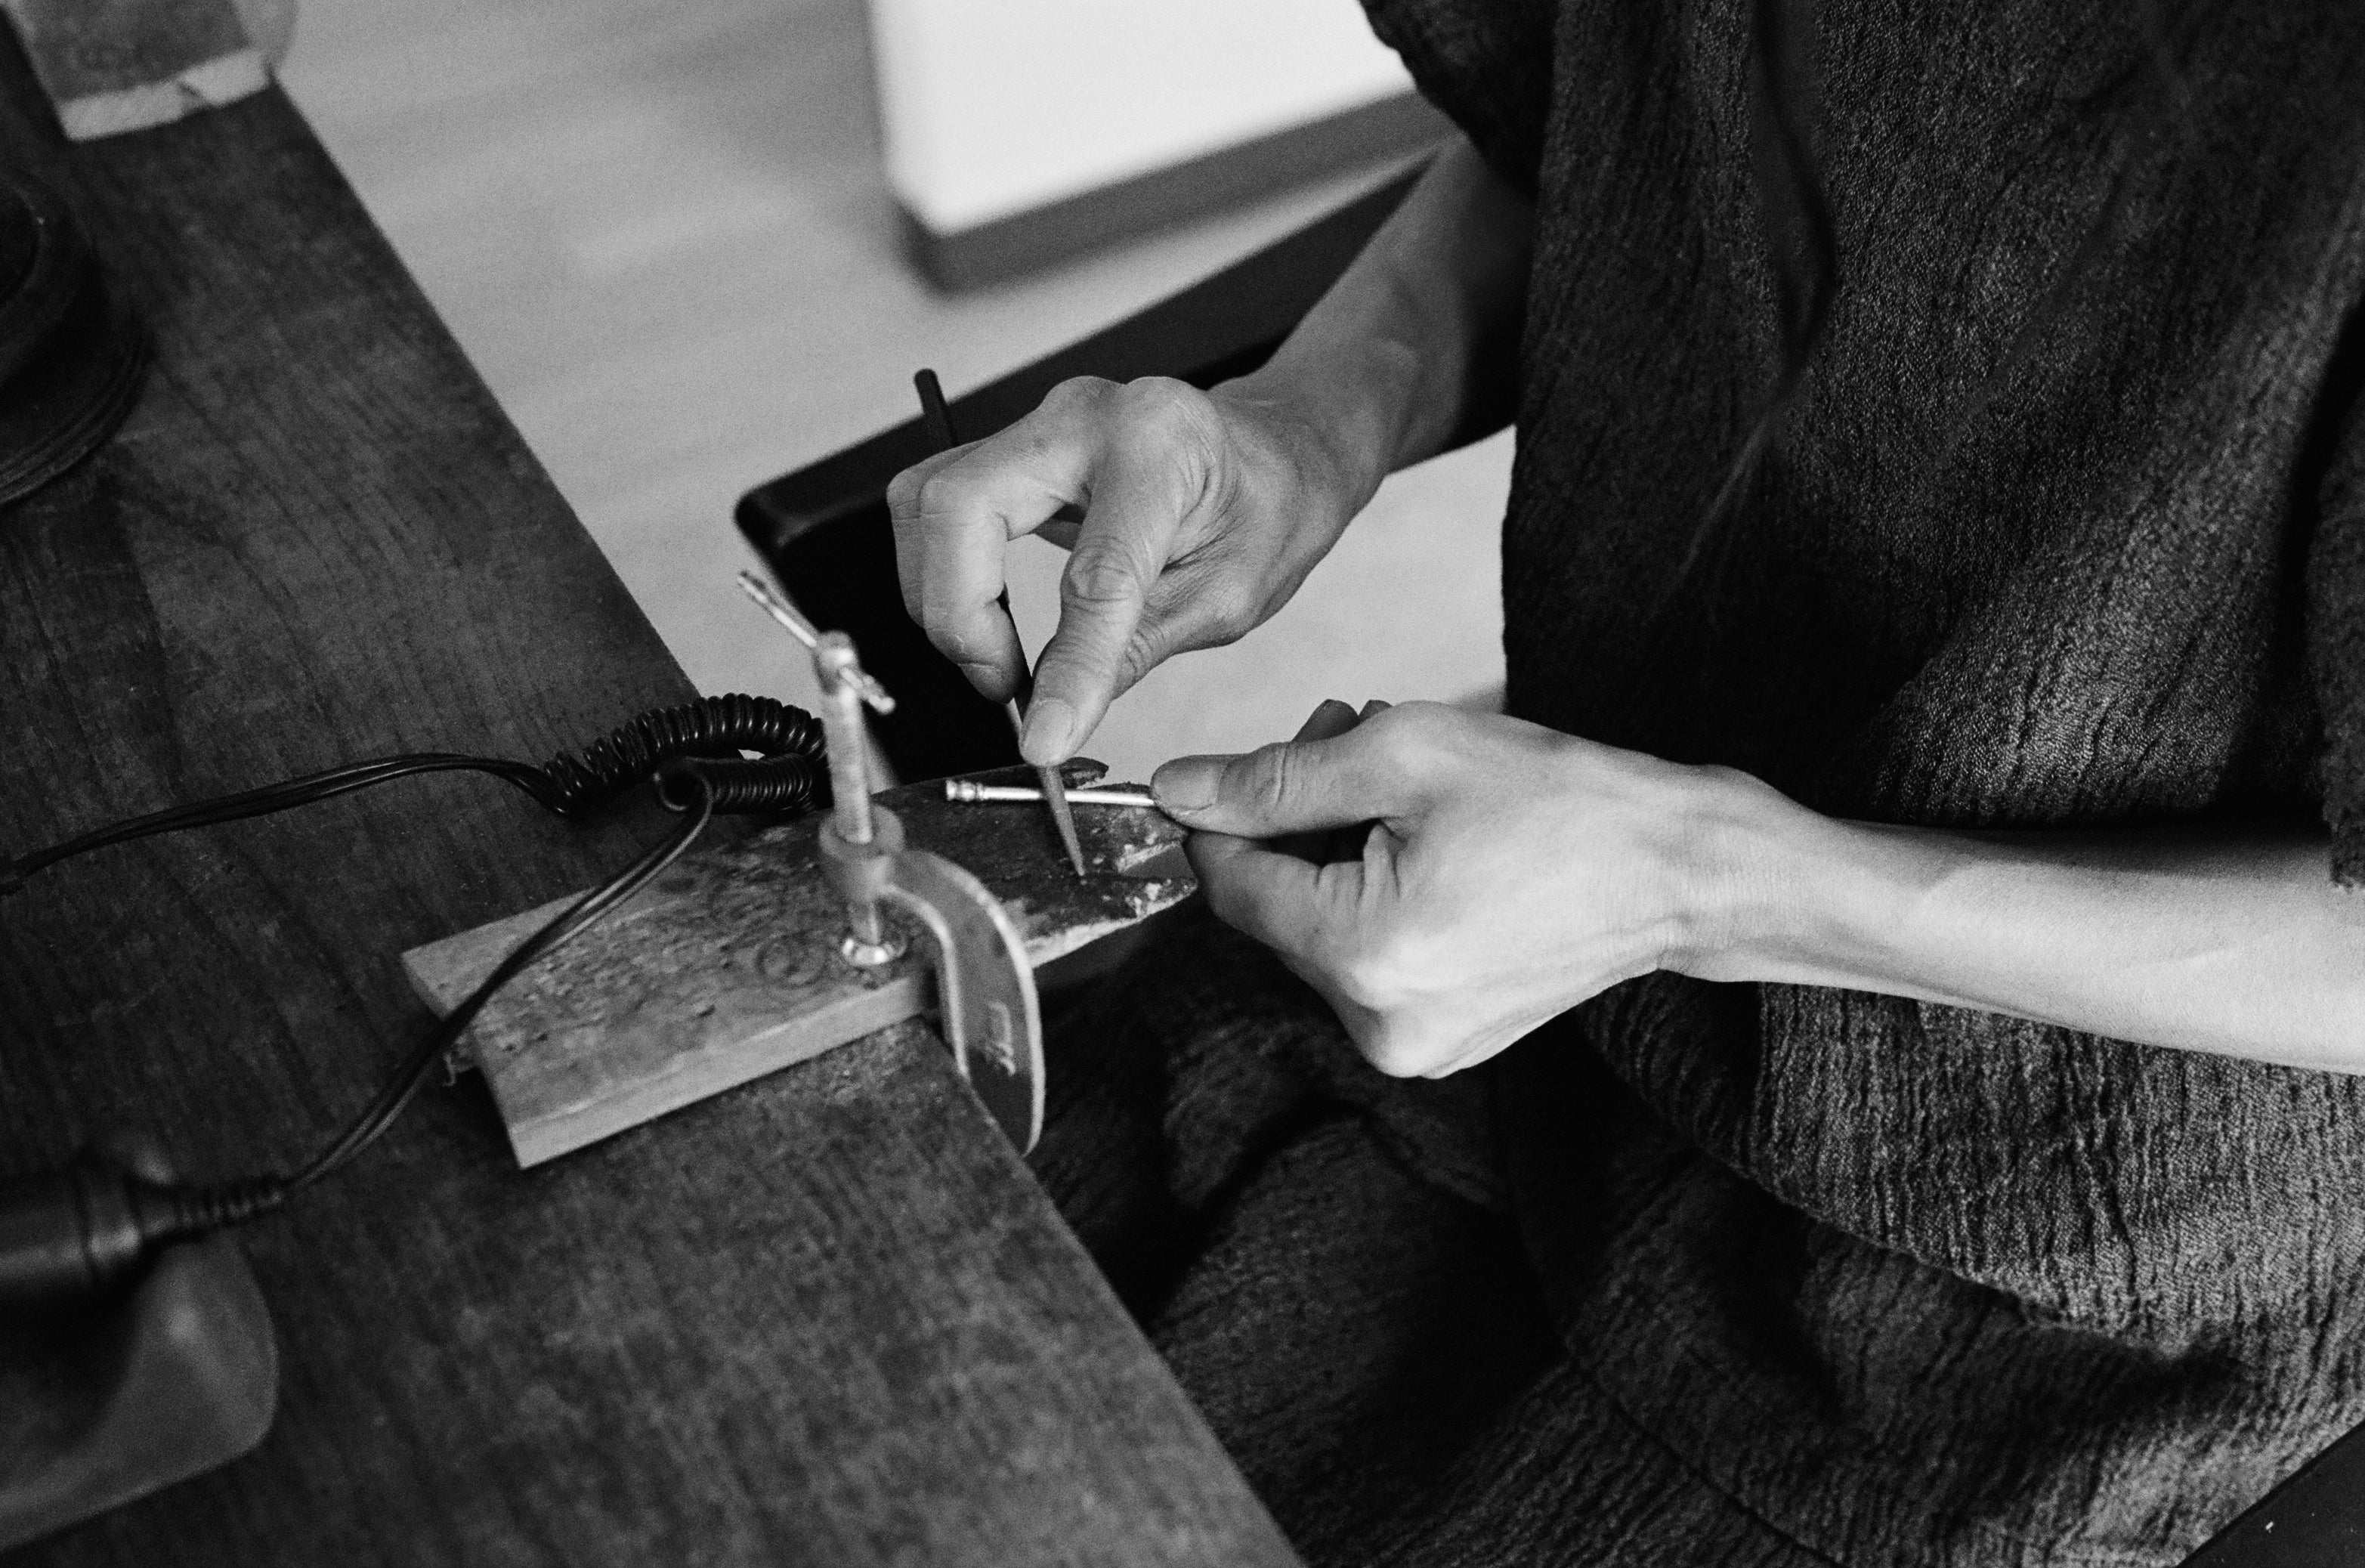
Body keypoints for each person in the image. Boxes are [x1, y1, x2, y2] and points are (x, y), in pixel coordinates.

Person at [886, 1, 2365, 1561]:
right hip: (1535, 942)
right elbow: (1615, 119)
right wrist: (1315, 410)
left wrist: (1690, 881)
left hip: (2028, 1279)